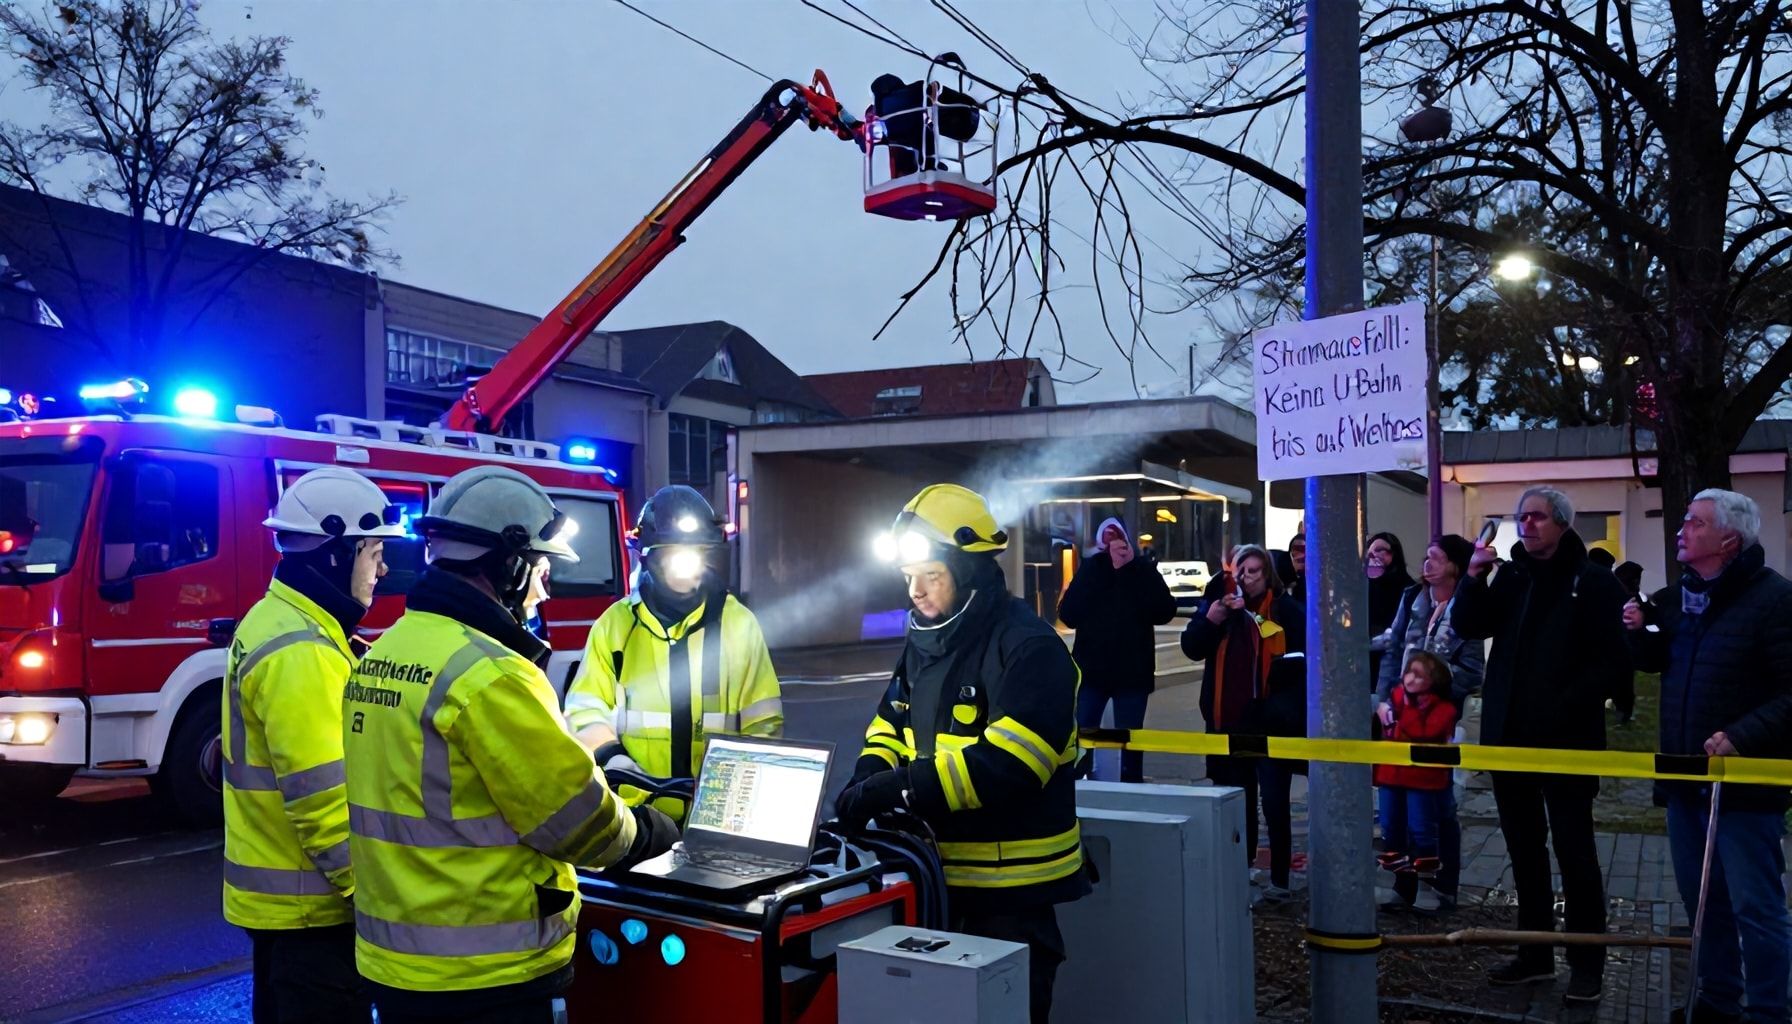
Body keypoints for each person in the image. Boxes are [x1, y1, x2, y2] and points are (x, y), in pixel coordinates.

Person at [343, 466, 677, 1023]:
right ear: (508, 563)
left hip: (394, 965)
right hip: (487, 974)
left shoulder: (381, 656)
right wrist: (649, 833)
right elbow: (575, 820)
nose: (545, 587)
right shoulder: (491, 674)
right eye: (541, 568)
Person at [836, 484, 1088, 1023]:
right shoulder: (926, 640)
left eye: (931, 575)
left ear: (968, 572)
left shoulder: (1030, 648)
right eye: (908, 578)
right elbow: (890, 723)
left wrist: (899, 788)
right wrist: (868, 774)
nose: (916, 592)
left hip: (1012, 896)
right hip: (936, 883)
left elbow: (1013, 765)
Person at [222, 467, 406, 1022]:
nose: (383, 569)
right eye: (373, 554)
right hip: (314, 910)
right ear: (335, 554)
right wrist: (376, 902)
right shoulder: (301, 650)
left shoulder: (285, 622)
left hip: (289, 906)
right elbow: (323, 800)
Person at [1452, 486, 1630, 1005]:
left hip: (1566, 741)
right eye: (1520, 518)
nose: (1526, 526)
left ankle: (1586, 961)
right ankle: (1533, 953)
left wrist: (1565, 703)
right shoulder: (1512, 576)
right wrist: (1472, 577)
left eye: (1536, 518)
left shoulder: (1594, 584)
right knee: (1523, 852)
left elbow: (1614, 662)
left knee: (1575, 853)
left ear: (1562, 524)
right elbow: (1468, 624)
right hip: (1508, 739)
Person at [1626, 489, 1792, 1024]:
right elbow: (1660, 663)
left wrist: (1743, 735)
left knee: (1756, 909)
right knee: (1703, 904)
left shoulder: (1775, 601)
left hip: (1744, 787)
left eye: (1695, 523)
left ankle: (1769, 1011)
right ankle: (1717, 1001)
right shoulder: (1680, 596)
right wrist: (1639, 632)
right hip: (1684, 781)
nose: (1682, 529)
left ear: (1729, 539)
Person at [565, 485, 782, 820]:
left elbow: (763, 722)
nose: (685, 567)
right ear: (647, 556)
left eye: (695, 553)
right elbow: (584, 711)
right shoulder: (616, 625)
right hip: (633, 815)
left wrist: (738, 797)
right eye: (671, 554)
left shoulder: (738, 624)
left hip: (715, 817)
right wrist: (618, 764)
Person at [1181, 544, 1305, 899]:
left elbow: (1299, 660)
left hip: (1270, 720)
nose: (1247, 578)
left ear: (1267, 575)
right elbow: (1192, 647)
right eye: (1241, 571)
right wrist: (1213, 618)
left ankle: (1280, 878)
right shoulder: (1220, 606)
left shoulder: (1282, 609)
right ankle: (1242, 865)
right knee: (1237, 798)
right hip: (1228, 720)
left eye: (1255, 571)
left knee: (1275, 799)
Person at [1373, 534, 1485, 912]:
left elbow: (1473, 671)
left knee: (1436, 808)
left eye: (1436, 558)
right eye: (1426, 556)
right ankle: (1403, 885)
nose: (1427, 564)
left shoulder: (1467, 605)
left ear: (1455, 565)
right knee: (1395, 806)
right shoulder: (1411, 599)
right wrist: (1384, 700)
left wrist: (1432, 682)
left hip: (1440, 720)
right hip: (1398, 716)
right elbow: (1392, 650)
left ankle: (1441, 885)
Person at [1060, 516, 1177, 783]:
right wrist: (1097, 573)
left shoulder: (1142, 570)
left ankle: (1131, 785)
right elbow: (1069, 614)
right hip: (1092, 672)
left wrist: (1128, 570)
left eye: (1118, 538)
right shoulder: (1091, 570)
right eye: (1108, 538)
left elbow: (1164, 610)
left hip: (1132, 673)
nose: (1113, 544)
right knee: (1082, 735)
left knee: (1131, 738)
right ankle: (1077, 784)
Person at [1373, 652, 1460, 896]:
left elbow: (1424, 732)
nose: (1410, 679)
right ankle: (1402, 885)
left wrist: (1400, 713)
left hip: (1423, 780)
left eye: (1419, 675)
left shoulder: (1442, 709)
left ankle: (1427, 885)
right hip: (1392, 775)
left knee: (1421, 831)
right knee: (1391, 829)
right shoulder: (1395, 698)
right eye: (1409, 672)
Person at [1365, 532, 1415, 688]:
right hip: (1366, 659)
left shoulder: (1408, 588)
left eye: (1380, 550)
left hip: (1394, 658)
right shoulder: (1364, 586)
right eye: (1370, 551)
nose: (1374, 555)